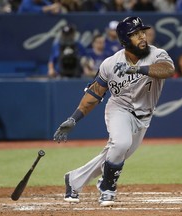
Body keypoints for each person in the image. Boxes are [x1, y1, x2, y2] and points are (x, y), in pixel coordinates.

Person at [53, 16, 175, 207]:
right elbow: (94, 94)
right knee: (120, 144)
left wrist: (137, 69)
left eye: (142, 32)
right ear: (125, 40)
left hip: (144, 117)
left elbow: (168, 70)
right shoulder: (109, 64)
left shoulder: (157, 54)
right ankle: (107, 188)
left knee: (114, 155)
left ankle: (74, 179)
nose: (142, 37)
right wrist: (74, 118)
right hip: (119, 109)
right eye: (135, 34)